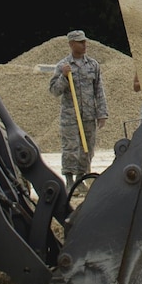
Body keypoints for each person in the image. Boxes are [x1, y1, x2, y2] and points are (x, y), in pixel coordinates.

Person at [48, 30, 107, 187]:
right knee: (70, 148)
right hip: (70, 116)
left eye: (85, 41)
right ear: (71, 44)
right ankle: (69, 180)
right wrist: (64, 77)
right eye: (80, 42)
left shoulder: (93, 65)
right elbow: (54, 91)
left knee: (87, 148)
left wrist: (102, 114)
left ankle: (81, 179)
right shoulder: (63, 66)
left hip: (88, 115)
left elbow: (99, 90)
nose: (84, 45)